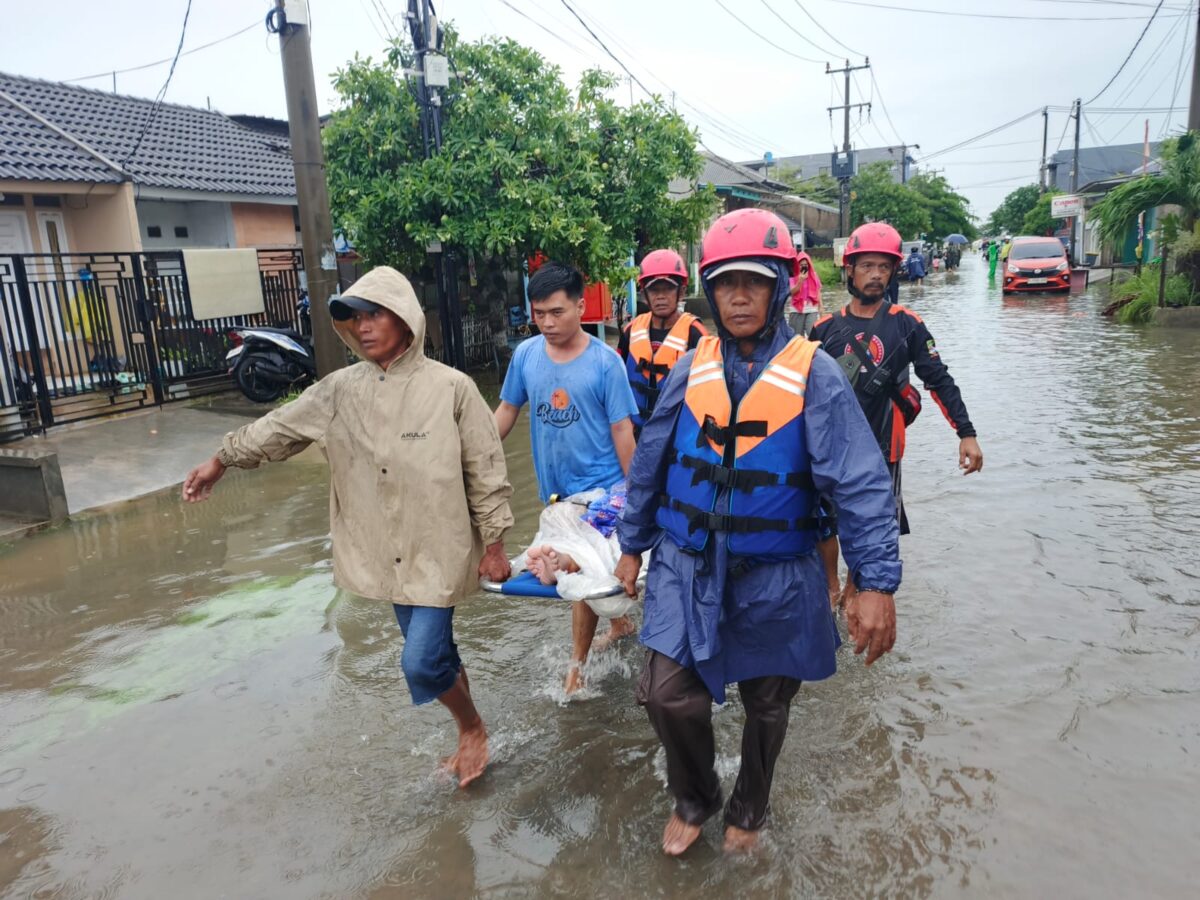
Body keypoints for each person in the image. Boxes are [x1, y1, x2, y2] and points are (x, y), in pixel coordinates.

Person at [613, 208, 902, 856]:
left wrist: (876, 583)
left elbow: (860, 484)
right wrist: (631, 544)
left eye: (754, 282)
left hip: (778, 573)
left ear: (780, 286)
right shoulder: (692, 367)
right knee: (665, 695)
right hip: (688, 564)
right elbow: (651, 460)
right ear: (709, 291)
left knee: (768, 703)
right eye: (725, 284)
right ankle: (696, 796)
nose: (739, 297)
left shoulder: (815, 373)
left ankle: (750, 805)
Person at [182, 267, 514, 788]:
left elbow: (485, 469)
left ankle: (472, 728)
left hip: (441, 548)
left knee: (420, 663)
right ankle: (467, 732)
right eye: (355, 318)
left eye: (375, 314)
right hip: (387, 554)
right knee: (439, 654)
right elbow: (279, 428)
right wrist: (221, 460)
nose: (363, 326)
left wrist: (494, 544)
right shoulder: (339, 391)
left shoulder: (452, 388)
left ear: (405, 319)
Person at [809, 221, 982, 601]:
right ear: (849, 269)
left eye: (883, 267)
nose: (875, 274)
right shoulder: (822, 330)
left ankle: (855, 587)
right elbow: (802, 393)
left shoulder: (908, 325)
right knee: (822, 521)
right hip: (830, 447)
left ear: (893, 272)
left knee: (872, 523)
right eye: (867, 266)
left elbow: (939, 380)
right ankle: (831, 586)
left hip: (883, 448)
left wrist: (966, 433)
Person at [494, 261, 639, 693]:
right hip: (557, 493)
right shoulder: (526, 355)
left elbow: (622, 431)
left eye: (557, 312)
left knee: (583, 577)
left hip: (602, 492)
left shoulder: (606, 363)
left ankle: (575, 671)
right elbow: (506, 410)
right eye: (539, 314)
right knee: (586, 563)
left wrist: (638, 495)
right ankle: (622, 624)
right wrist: (473, 456)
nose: (547, 323)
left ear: (580, 307)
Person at [617, 249, 707, 438]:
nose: (660, 296)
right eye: (654, 290)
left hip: (675, 435)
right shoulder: (631, 331)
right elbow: (616, 381)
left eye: (668, 289)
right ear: (644, 294)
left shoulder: (696, 334)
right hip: (636, 433)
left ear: (681, 291)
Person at [786, 250, 824, 337]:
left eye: (806, 264)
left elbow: (818, 291)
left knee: (812, 333)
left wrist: (821, 307)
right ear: (797, 265)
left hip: (811, 308)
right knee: (797, 336)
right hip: (797, 309)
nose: (804, 266)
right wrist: (800, 281)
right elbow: (792, 292)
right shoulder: (793, 276)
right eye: (801, 265)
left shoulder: (814, 275)